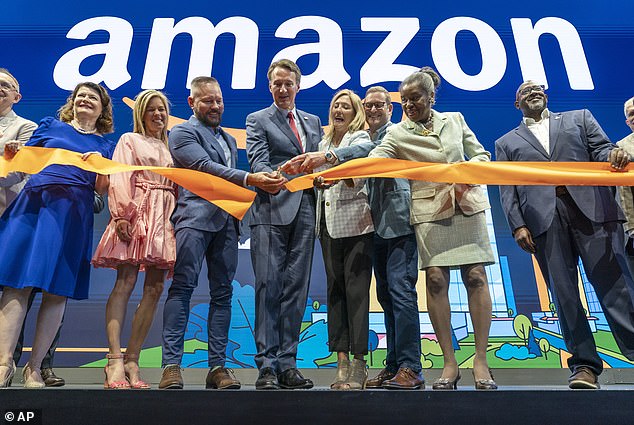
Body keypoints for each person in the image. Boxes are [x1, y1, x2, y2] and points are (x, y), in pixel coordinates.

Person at [496, 81, 634, 389]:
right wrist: (517, 225)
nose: (533, 90)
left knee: (617, 287)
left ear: (546, 95)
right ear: (516, 103)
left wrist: (614, 154)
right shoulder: (506, 142)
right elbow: (507, 188)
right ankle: (584, 365)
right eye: (525, 89)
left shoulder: (579, 118)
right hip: (543, 222)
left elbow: (602, 150)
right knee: (565, 295)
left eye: (539, 87)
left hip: (594, 212)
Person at [283, 86, 423, 389]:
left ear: (389, 108)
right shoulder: (323, 140)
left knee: (395, 293)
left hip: (384, 223)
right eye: (335, 104)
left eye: (376, 105)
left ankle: (407, 366)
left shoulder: (383, 135)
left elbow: (360, 160)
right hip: (345, 226)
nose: (371, 110)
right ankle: (390, 364)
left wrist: (330, 163)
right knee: (382, 296)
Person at [369, 67, 497, 390]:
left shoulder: (455, 119)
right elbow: (377, 157)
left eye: (416, 99)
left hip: (467, 203)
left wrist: (471, 170)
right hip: (428, 209)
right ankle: (449, 364)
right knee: (437, 280)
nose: (409, 106)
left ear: (431, 97)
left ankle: (481, 361)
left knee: (476, 276)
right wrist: (353, 168)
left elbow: (480, 153)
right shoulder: (397, 133)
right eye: (405, 101)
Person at [159, 76, 284, 390]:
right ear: (192, 103)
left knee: (223, 295)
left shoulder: (229, 140)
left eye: (218, 100)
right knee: (183, 289)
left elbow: (229, 181)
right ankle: (171, 365)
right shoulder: (182, 131)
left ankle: (217, 367)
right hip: (193, 220)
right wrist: (251, 179)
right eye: (207, 101)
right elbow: (202, 166)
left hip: (228, 225)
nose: (215, 106)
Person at [0, 82, 115, 388]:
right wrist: (14, 153)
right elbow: (24, 161)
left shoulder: (106, 146)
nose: (85, 100)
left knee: (57, 291)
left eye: (92, 97)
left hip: (73, 215)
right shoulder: (50, 126)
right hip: (36, 205)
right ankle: (3, 365)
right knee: (17, 285)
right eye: (80, 96)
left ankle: (35, 368)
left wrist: (100, 169)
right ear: (72, 103)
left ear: (102, 108)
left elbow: (101, 191)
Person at [246, 59, 323, 390]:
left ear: (298, 86)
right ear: (270, 86)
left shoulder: (313, 122)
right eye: (276, 83)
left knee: (296, 288)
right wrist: (293, 171)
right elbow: (259, 163)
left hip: (307, 209)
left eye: (287, 83)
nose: (282, 88)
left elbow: (320, 161)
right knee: (268, 287)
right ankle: (266, 365)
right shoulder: (257, 120)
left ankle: (288, 364)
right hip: (270, 210)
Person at [92, 90, 177, 389]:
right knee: (125, 282)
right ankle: (114, 360)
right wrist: (122, 214)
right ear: (141, 113)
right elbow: (119, 176)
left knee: (154, 288)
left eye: (162, 110)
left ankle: (133, 359)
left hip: (164, 218)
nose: (158, 114)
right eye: (151, 109)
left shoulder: (171, 147)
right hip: (138, 212)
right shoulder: (130, 140)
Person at [310, 89, 374, 390]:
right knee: (334, 292)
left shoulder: (360, 138)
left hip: (357, 226)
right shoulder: (321, 142)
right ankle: (341, 362)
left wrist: (334, 169)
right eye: (335, 104)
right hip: (327, 227)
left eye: (346, 106)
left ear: (355, 113)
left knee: (357, 293)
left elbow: (359, 167)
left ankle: (359, 364)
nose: (339, 109)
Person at [616, 97, 634, 275]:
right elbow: (624, 191)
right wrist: (631, 228)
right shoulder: (623, 147)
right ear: (628, 122)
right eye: (631, 114)